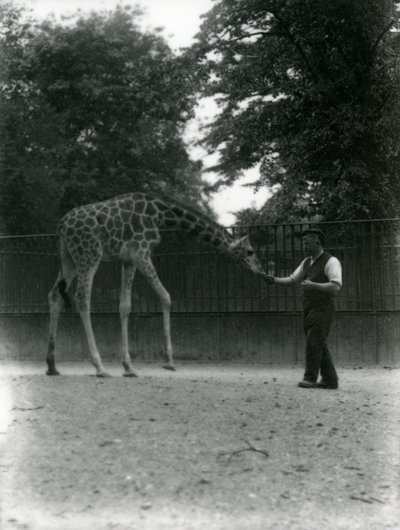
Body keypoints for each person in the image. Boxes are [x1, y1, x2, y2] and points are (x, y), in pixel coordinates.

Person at [265, 229, 342, 389]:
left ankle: (310, 378)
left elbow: (335, 287)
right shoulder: (306, 261)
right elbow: (292, 279)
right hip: (308, 307)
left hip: (324, 307)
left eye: (307, 241)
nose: (304, 244)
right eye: (304, 241)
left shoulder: (331, 261)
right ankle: (330, 380)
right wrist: (274, 280)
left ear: (318, 242)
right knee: (317, 342)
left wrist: (314, 285)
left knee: (314, 341)